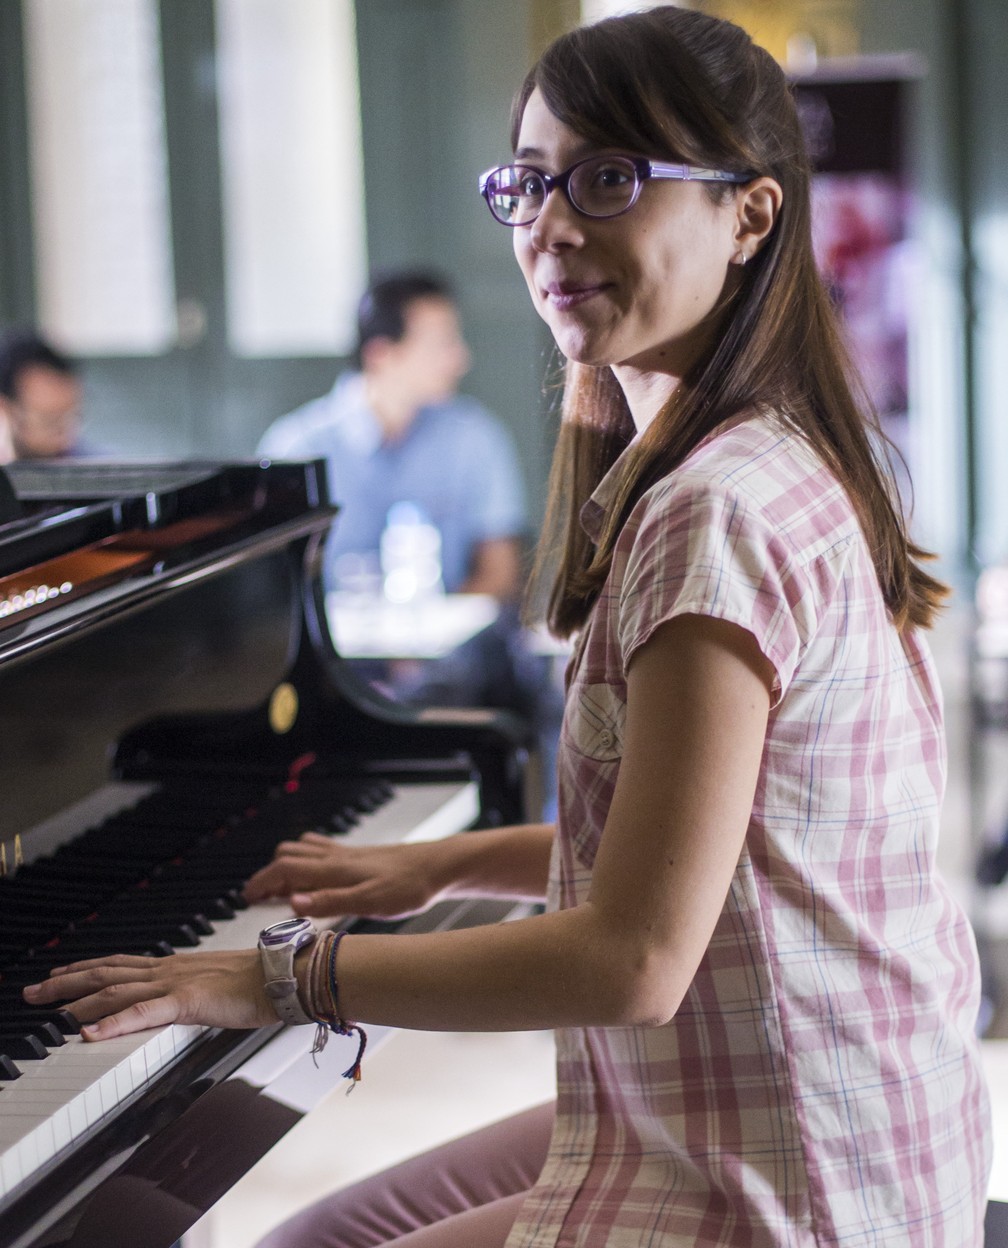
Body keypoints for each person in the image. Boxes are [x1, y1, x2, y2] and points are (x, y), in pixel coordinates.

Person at [24, 8, 992, 1246]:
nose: (549, 223)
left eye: (608, 178)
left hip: (796, 1177)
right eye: (528, 182)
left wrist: (263, 978)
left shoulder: (714, 513)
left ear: (751, 215)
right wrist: (438, 865)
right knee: (321, 1231)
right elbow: (743, 852)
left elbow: (633, 962)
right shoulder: (773, 454)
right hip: (864, 1112)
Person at [257, 270, 527, 602]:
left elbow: (500, 573)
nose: (461, 359)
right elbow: (271, 592)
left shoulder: (475, 436)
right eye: (442, 344)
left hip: (448, 648)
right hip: (331, 649)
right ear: (381, 354)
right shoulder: (296, 449)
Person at [0, 329, 95, 461]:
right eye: (49, 422)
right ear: (5, 409)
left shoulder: (93, 468)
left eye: (74, 417)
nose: (65, 438)